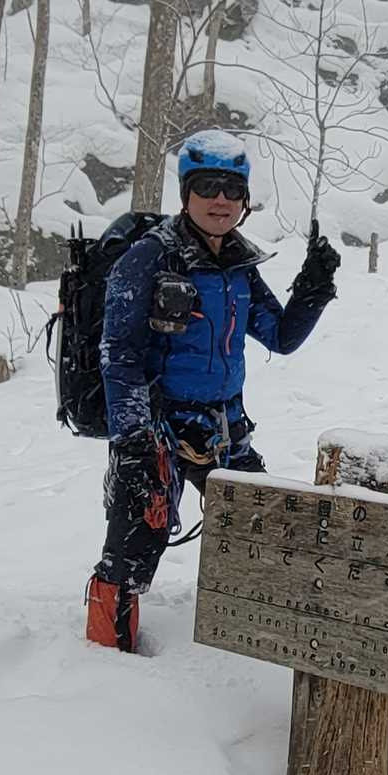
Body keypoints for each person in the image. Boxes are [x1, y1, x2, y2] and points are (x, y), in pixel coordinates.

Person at [85, 129, 340, 651]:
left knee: (265, 523)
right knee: (133, 549)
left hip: (223, 427)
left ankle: (265, 634)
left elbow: (280, 336)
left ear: (244, 200)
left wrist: (314, 288)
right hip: (156, 429)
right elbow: (119, 353)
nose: (221, 199)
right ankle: (105, 658)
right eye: (207, 187)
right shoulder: (148, 258)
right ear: (186, 193)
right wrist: (134, 440)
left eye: (232, 189)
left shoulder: (239, 265)